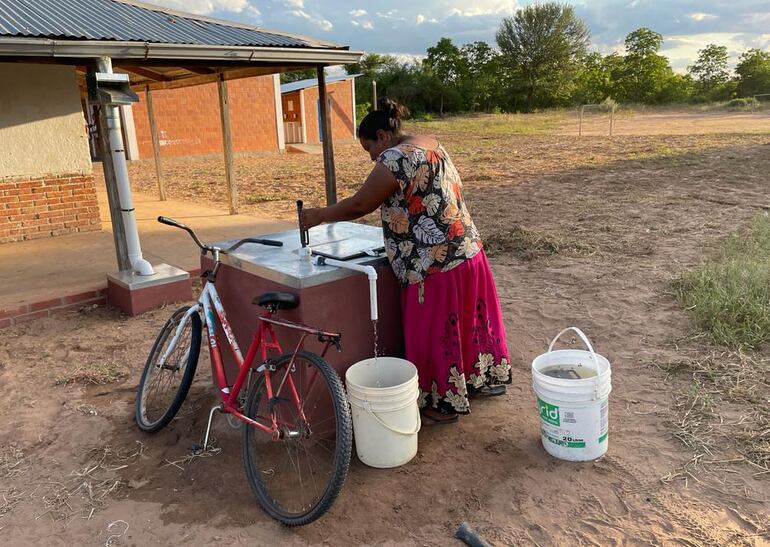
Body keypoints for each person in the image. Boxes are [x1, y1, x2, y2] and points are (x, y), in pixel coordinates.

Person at [300, 98, 511, 424]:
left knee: (434, 333)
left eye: (369, 147)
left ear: (382, 135)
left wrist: (315, 216)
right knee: (469, 324)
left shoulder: (396, 157)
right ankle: (479, 382)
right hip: (467, 251)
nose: (371, 156)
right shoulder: (430, 143)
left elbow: (359, 205)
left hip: (433, 265)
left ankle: (442, 406)